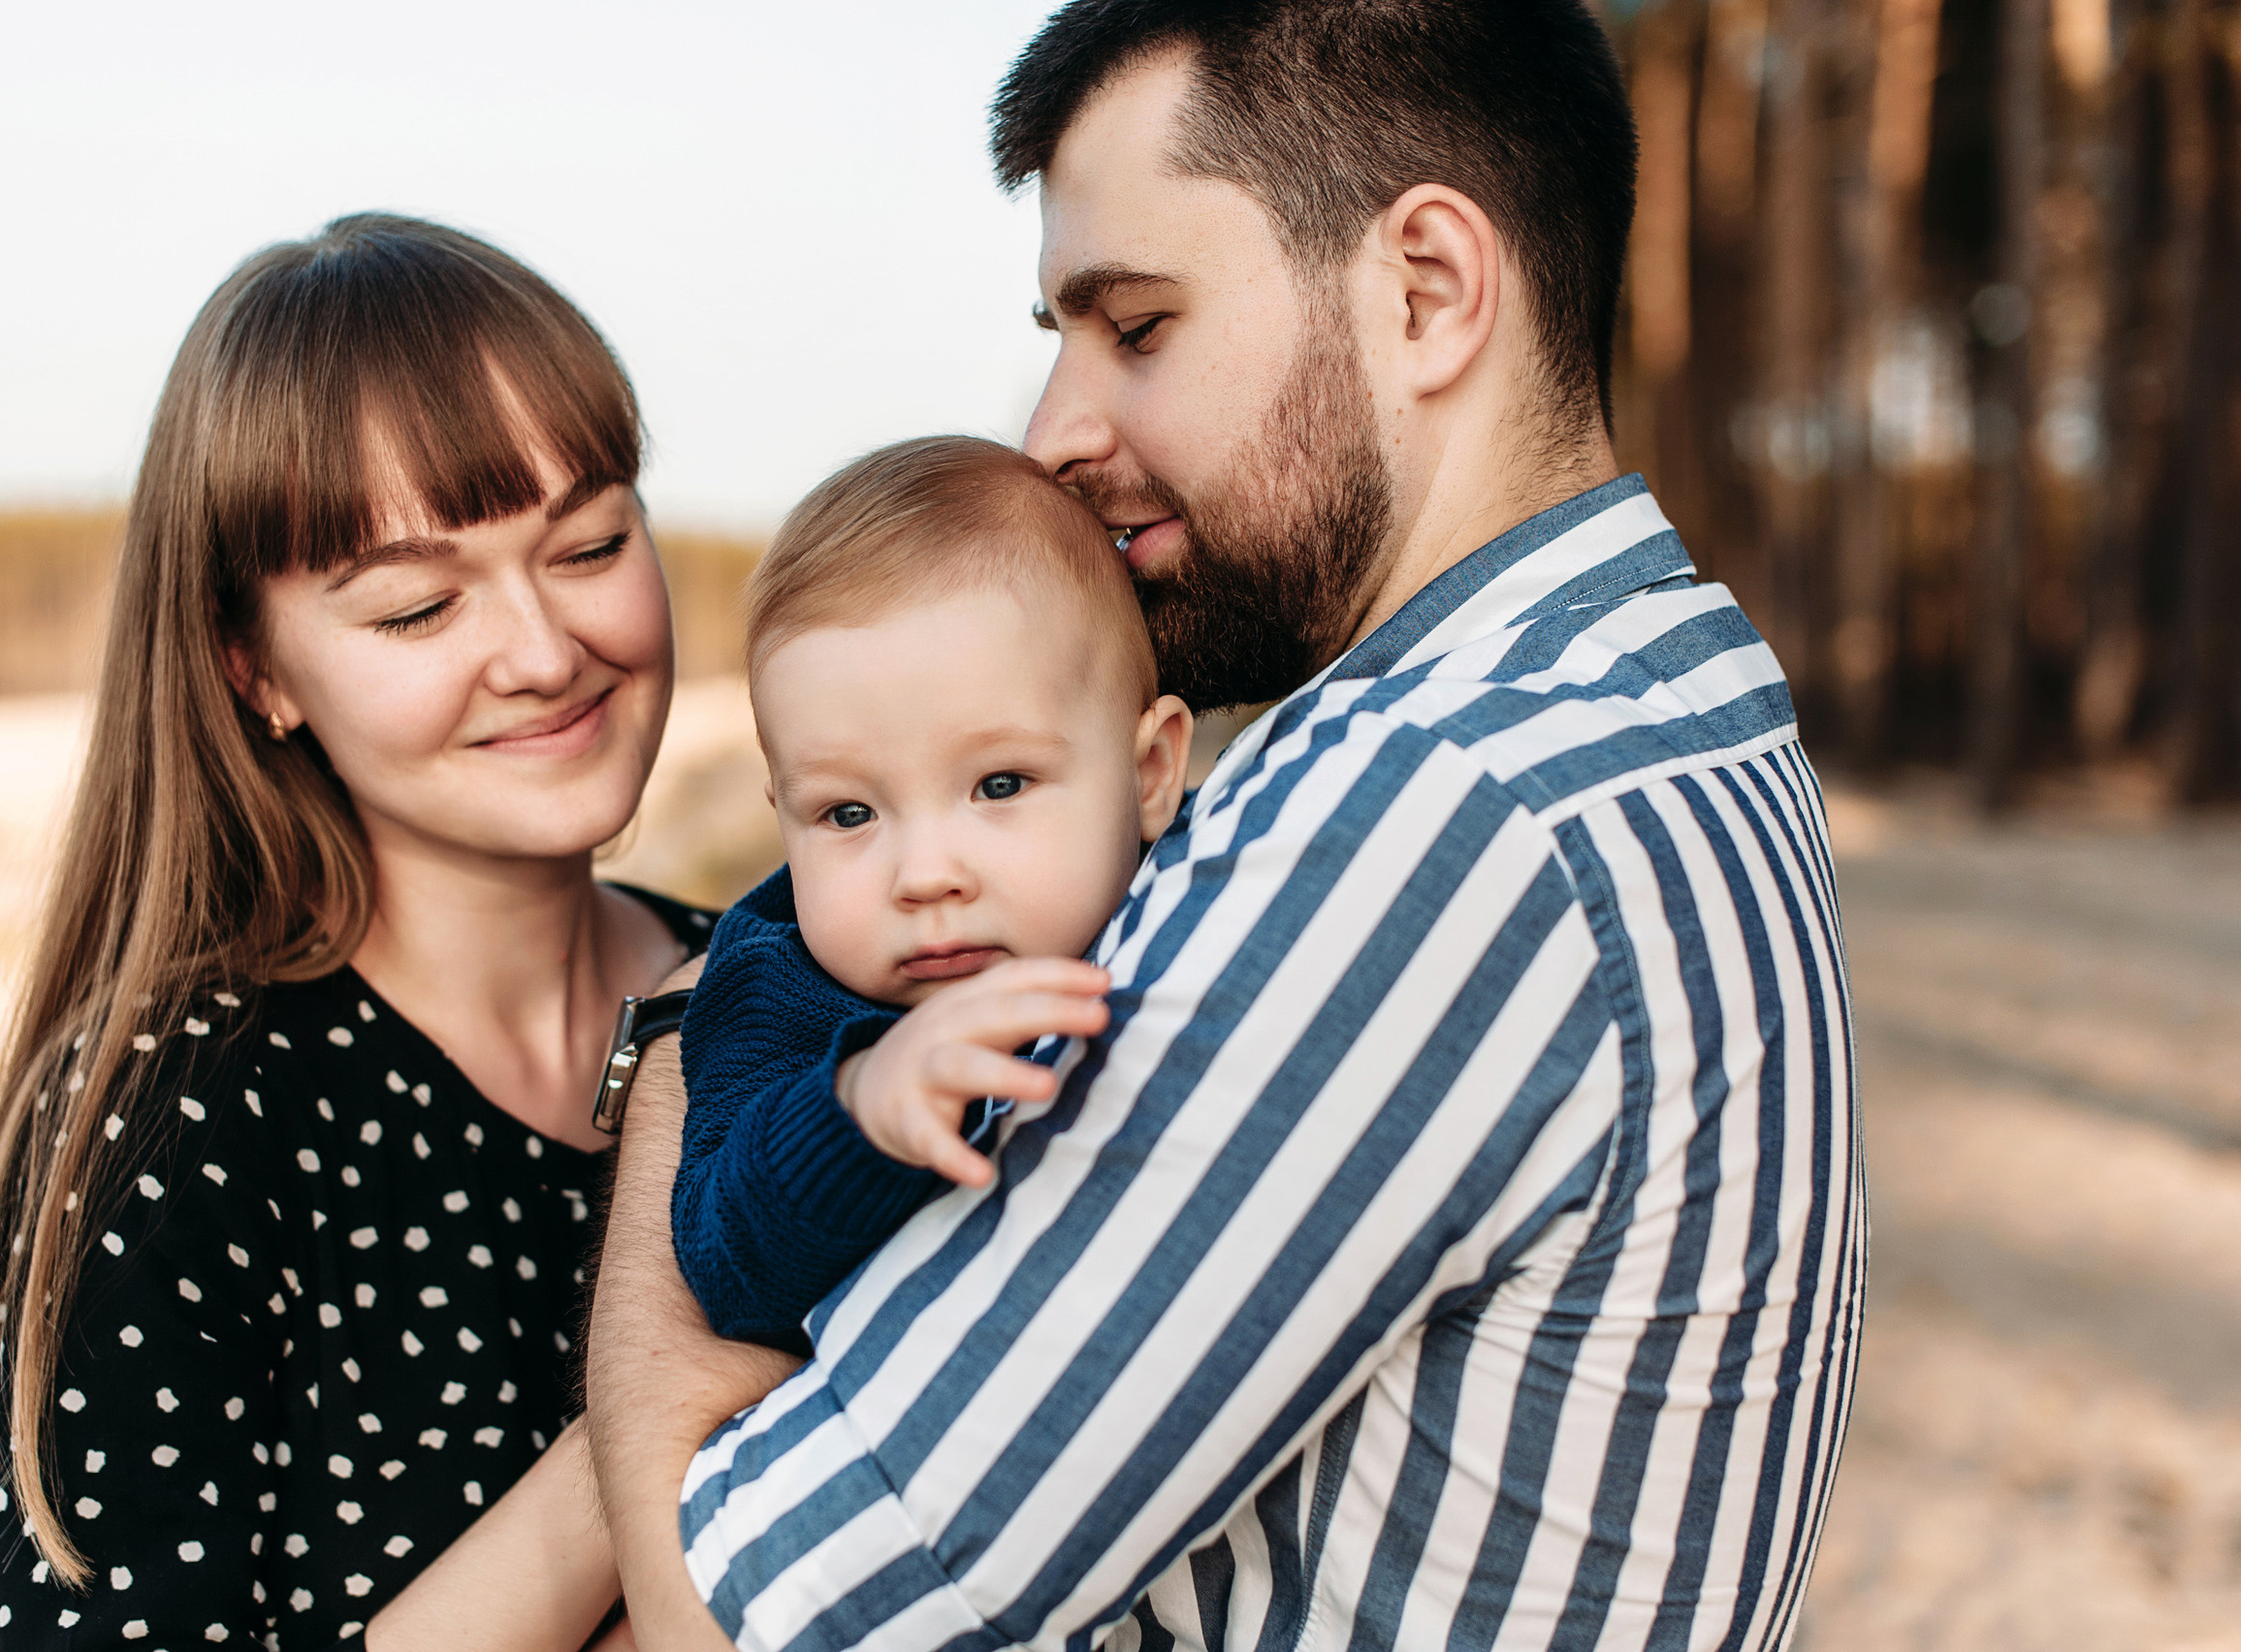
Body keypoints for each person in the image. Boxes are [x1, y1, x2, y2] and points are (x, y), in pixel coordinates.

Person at [585, 5, 1864, 1652]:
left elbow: (764, 1613)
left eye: (1136, 325)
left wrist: (693, 1071)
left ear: (1426, 291)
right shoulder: (1674, 693)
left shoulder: (1437, 808)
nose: (1055, 428)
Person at [0, 213, 705, 1652]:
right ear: (257, 670)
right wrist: (655, 1408)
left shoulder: (777, 992)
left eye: (591, 543)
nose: (545, 653)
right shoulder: (170, 1120)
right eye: (418, 608)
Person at [667, 435, 1192, 1352]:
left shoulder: (1217, 893)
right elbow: (725, 1265)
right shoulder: (777, 989)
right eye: (847, 814)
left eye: (999, 786)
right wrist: (860, 1104)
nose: (923, 877)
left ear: (1149, 773)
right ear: (781, 814)